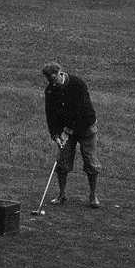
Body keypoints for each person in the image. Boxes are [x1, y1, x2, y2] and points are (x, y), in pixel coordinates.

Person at [42, 62, 101, 208]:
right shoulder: (50, 90)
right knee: (62, 162)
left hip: (86, 127)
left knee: (91, 162)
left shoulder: (77, 84)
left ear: (60, 73)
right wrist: (55, 135)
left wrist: (68, 130)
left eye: (54, 78)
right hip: (65, 131)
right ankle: (62, 195)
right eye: (49, 80)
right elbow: (51, 115)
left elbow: (82, 112)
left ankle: (93, 195)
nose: (52, 82)